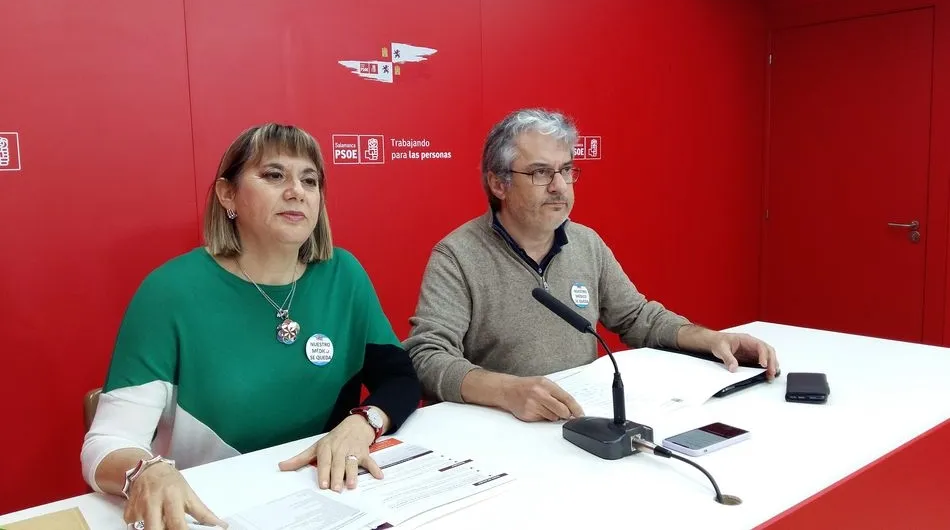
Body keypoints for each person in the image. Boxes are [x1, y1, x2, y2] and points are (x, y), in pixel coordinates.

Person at [81, 123, 421, 530]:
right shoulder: (169, 292)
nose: (296, 191)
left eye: (309, 180)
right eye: (274, 175)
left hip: (328, 502)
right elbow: (107, 443)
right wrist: (145, 473)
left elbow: (400, 379)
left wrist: (363, 423)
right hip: (211, 512)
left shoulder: (343, 275)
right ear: (228, 195)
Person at [403, 108, 779, 422]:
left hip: (576, 422)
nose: (559, 186)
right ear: (499, 184)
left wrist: (712, 340)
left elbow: (638, 319)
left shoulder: (586, 243)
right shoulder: (457, 255)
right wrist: (507, 391)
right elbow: (426, 358)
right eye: (540, 173)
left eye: (566, 170)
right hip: (499, 428)